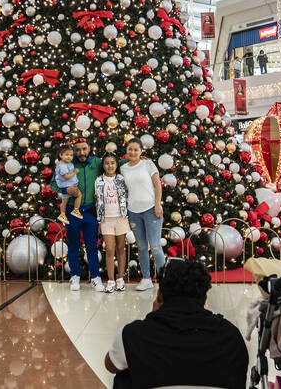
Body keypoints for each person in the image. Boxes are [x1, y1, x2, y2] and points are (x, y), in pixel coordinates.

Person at [105, 258, 249, 388]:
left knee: (124, 377)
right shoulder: (231, 336)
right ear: (205, 299)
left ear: (160, 295)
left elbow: (111, 365)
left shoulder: (133, 335)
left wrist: (152, 319)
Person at [51, 139, 105, 292]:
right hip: (71, 211)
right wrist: (66, 191)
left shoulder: (97, 162)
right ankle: (74, 276)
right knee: (73, 245)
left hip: (90, 211)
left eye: (84, 149)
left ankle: (95, 277)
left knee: (92, 246)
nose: (81, 152)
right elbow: (53, 183)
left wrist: (137, 158)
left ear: (89, 149)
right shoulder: (65, 163)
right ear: (73, 151)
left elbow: (115, 163)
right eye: (78, 150)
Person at [120, 138, 165, 291]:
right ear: (126, 151)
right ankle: (146, 279)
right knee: (141, 246)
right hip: (133, 212)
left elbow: (157, 185)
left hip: (151, 209)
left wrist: (158, 204)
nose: (132, 152)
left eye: (136, 149)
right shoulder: (123, 168)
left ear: (141, 151)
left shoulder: (147, 164)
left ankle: (163, 279)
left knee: (155, 245)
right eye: (130, 149)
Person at [95, 154, 130, 293]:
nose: (110, 166)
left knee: (121, 248)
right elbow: (97, 201)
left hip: (120, 218)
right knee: (109, 249)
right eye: (107, 163)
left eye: (113, 163)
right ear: (103, 165)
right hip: (106, 219)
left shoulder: (121, 179)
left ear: (117, 165)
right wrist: (99, 221)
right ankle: (110, 280)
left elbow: (128, 196)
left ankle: (120, 279)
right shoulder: (99, 180)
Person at [55, 145, 83, 224]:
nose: (69, 157)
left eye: (71, 155)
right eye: (67, 155)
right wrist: (74, 172)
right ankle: (76, 210)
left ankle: (62, 214)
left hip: (67, 186)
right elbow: (66, 176)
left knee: (64, 201)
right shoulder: (62, 166)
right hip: (69, 186)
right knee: (79, 195)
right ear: (61, 155)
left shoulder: (66, 163)